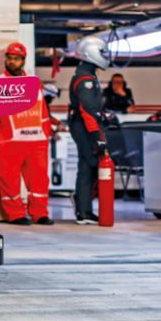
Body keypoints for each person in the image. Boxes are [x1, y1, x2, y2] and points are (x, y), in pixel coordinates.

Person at [0, 42, 53, 225]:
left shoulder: (34, 82)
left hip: (36, 141)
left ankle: (40, 213)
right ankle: (15, 214)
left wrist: (46, 134)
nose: (11, 62)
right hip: (9, 142)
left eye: (16, 59)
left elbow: (42, 110)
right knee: (8, 181)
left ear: (23, 60)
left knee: (39, 181)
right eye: (9, 58)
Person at [68, 36, 110, 225]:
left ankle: (84, 210)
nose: (104, 56)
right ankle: (82, 207)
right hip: (84, 126)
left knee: (87, 166)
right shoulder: (85, 78)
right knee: (91, 163)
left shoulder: (88, 74)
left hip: (84, 125)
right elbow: (87, 110)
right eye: (101, 52)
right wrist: (97, 138)